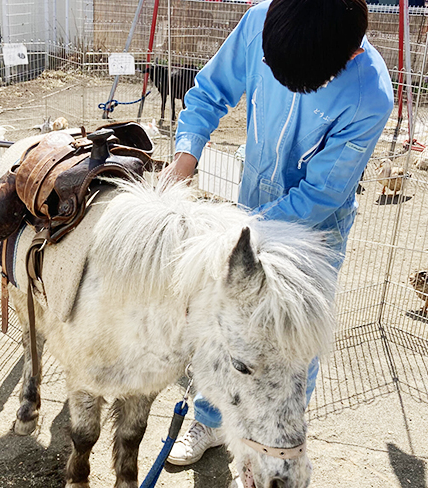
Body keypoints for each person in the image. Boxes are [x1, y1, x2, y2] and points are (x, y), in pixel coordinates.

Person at [163, 0, 394, 467]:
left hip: (312, 238)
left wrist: (233, 231)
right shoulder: (260, 22)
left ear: (345, 59)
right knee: (230, 331)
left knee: (290, 349)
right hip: (249, 210)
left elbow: (318, 195)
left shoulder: (370, 96)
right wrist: (185, 157)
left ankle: (279, 446)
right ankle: (209, 420)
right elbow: (210, 91)